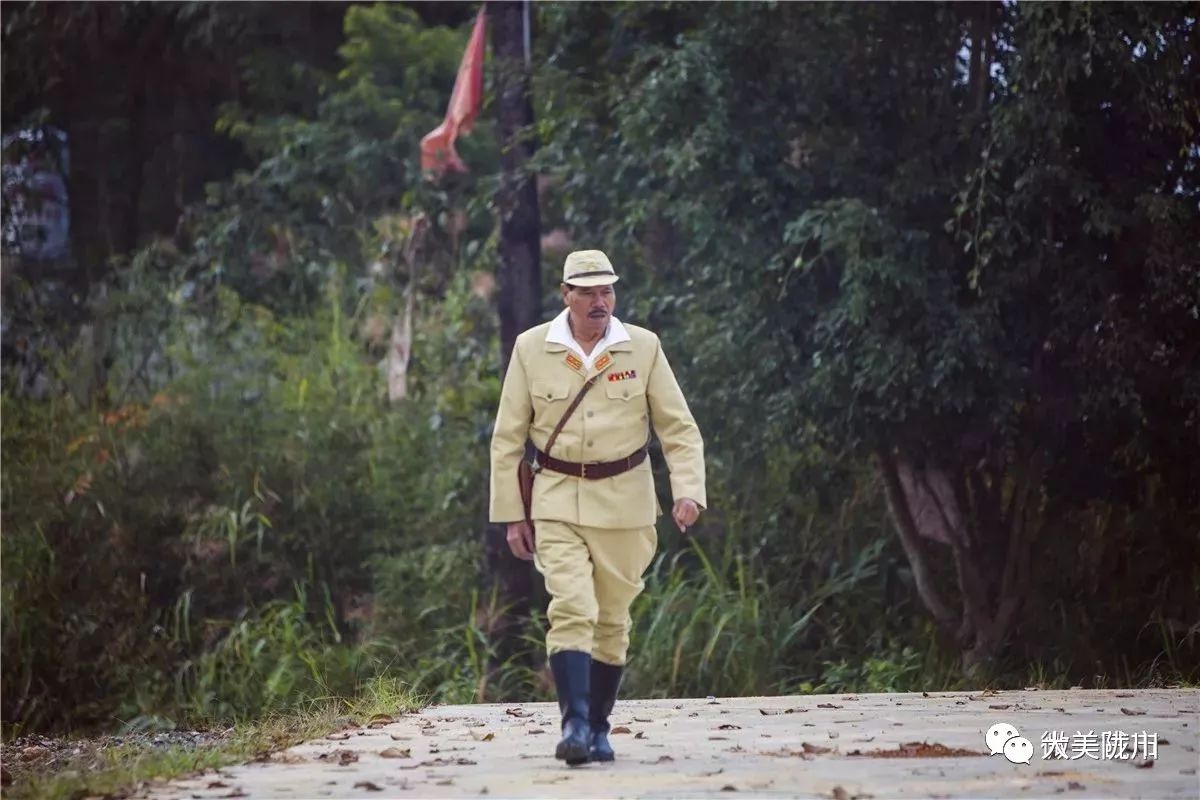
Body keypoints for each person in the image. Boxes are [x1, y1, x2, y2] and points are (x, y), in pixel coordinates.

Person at [489, 249, 706, 765]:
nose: (598, 300)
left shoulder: (643, 348)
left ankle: (600, 725)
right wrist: (512, 515)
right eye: (586, 291)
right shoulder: (532, 348)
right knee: (571, 608)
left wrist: (688, 491)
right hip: (557, 498)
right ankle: (575, 724)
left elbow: (678, 428)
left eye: (606, 290)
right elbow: (507, 438)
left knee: (611, 619)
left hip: (627, 502)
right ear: (565, 294)